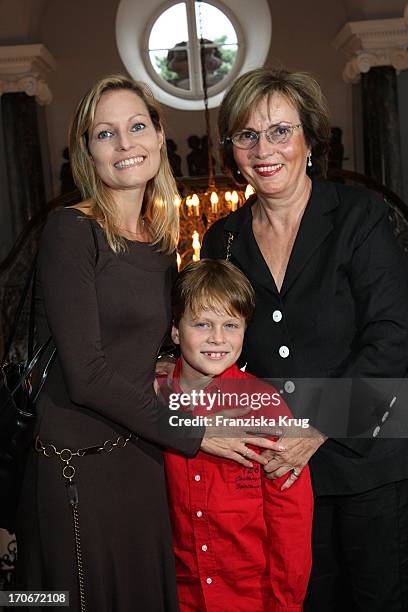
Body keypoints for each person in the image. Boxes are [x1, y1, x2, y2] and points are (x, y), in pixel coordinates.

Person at [15, 74, 276, 611]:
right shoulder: (71, 231)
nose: (125, 143)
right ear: (86, 150)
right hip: (78, 466)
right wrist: (194, 429)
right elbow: (86, 373)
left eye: (137, 126)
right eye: (105, 133)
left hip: (140, 454)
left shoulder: (158, 242)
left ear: (160, 136)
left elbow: (148, 350)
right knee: (54, 599)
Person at [201, 67, 408, 611]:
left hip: (369, 461)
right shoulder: (221, 238)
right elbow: (219, 352)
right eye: (246, 134)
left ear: (310, 139)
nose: (262, 148)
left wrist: (317, 425)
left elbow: (392, 336)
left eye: (279, 131)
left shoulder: (359, 216)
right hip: (275, 475)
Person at [161, 258, 313, 611]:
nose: (217, 338)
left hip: (252, 597)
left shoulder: (265, 406)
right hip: (177, 596)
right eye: (202, 324)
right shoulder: (151, 401)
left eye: (231, 325)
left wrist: (284, 603)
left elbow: (291, 518)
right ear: (175, 331)